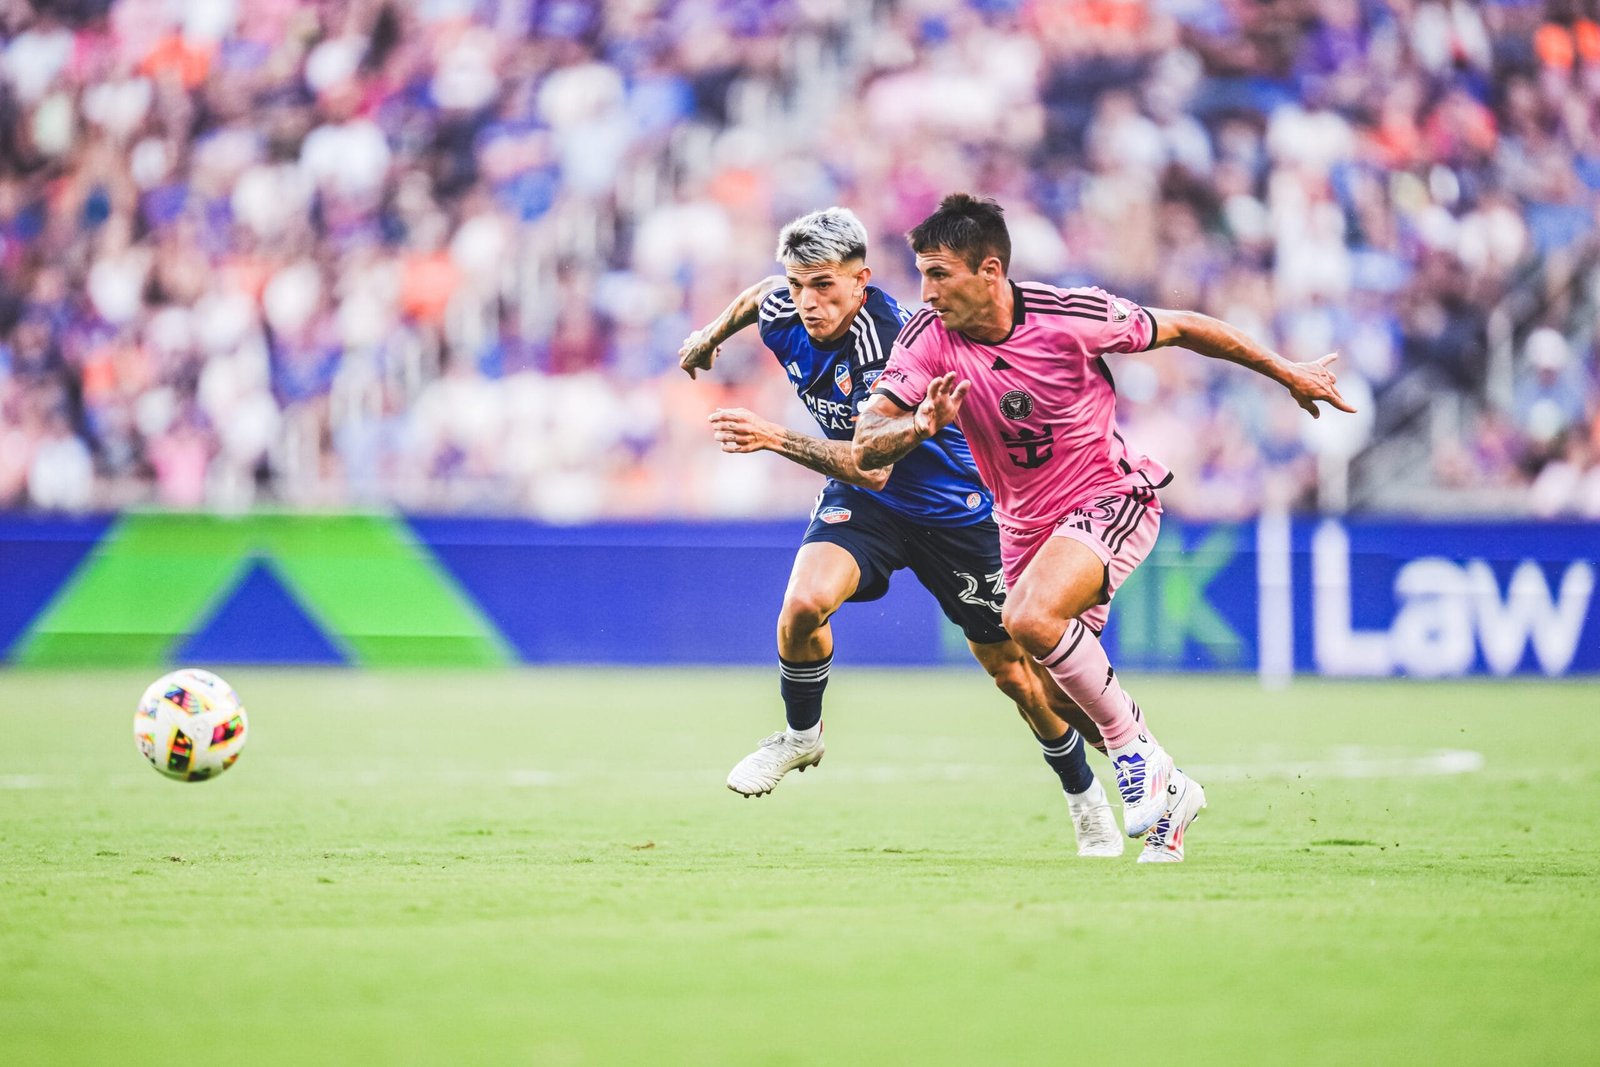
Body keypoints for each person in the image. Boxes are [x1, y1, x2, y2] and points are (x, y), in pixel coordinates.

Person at [853, 193, 1355, 862]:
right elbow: (865, 442)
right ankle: (1170, 792)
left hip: (1110, 495)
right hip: (1023, 527)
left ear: (991, 271)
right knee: (1057, 689)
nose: (926, 290)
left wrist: (1285, 370)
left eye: (939, 273)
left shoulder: (1069, 316)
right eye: (921, 273)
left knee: (1030, 618)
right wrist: (919, 425)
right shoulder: (926, 336)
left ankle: (1137, 755)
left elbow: (1183, 327)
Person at [677, 207, 1124, 858]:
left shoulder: (893, 341)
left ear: (861, 281)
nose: (807, 301)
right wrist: (709, 336)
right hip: (871, 504)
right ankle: (801, 736)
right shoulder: (784, 308)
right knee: (802, 604)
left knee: (1014, 676)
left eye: (824, 285)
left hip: (957, 514)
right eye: (798, 283)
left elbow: (873, 463)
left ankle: (1085, 795)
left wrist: (772, 437)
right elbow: (757, 299)